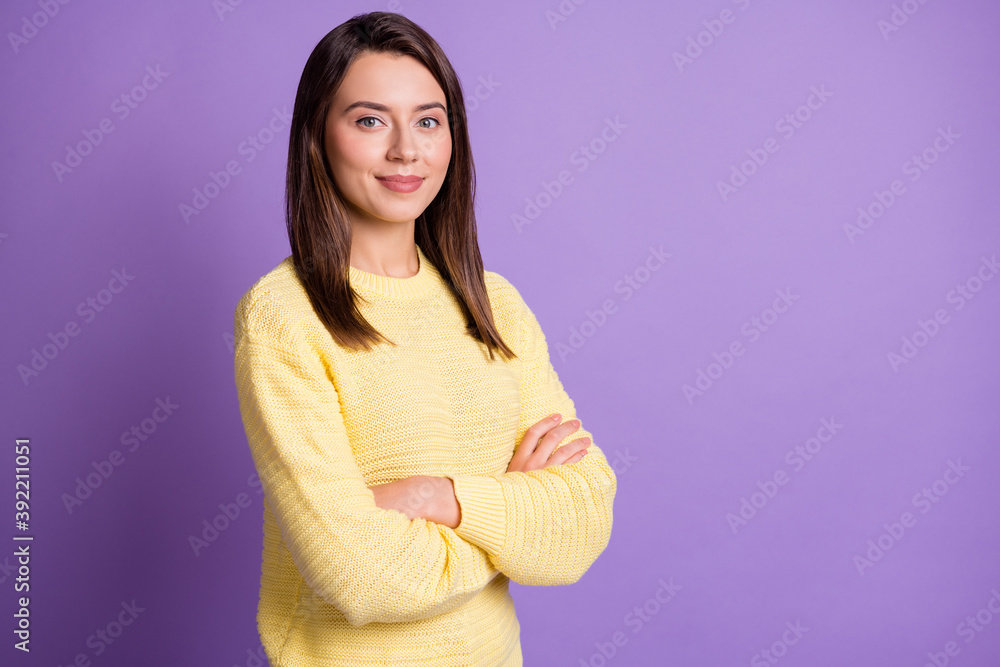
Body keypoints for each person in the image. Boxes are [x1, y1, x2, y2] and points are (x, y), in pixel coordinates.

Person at [232, 11, 616, 666]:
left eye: (428, 120)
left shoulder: (496, 306)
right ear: (318, 138)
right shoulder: (284, 316)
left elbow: (580, 524)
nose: (406, 150)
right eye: (370, 119)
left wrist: (438, 497)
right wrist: (506, 517)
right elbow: (357, 574)